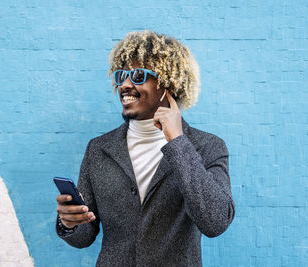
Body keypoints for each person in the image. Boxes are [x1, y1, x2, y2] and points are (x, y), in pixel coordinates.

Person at [55, 30, 235, 267]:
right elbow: (85, 235)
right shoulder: (99, 149)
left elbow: (215, 221)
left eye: (138, 75)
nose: (125, 85)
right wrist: (69, 223)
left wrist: (177, 142)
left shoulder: (206, 147)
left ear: (166, 83)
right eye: (121, 76)